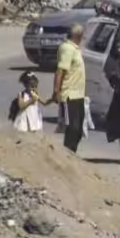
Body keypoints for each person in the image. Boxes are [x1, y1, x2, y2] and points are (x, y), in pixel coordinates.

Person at [53, 24, 87, 153]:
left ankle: (72, 154)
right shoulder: (67, 48)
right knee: (72, 128)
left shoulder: (75, 49)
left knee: (79, 130)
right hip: (69, 94)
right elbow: (60, 71)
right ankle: (67, 154)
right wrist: (56, 91)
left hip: (79, 94)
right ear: (78, 36)